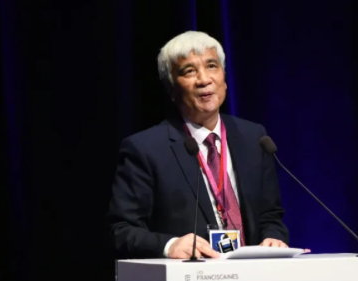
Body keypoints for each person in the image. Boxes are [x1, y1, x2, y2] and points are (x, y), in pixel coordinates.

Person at [107, 31, 290, 260]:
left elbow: (270, 215)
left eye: (212, 66)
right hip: (191, 277)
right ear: (171, 88)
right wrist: (169, 245)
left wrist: (273, 237)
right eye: (189, 71)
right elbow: (121, 230)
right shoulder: (145, 149)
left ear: (224, 78)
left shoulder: (254, 138)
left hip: (251, 276)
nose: (204, 80)